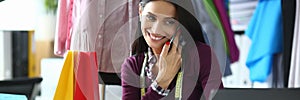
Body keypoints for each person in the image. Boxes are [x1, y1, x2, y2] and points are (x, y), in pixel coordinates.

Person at [121, 0, 224, 100]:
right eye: (151, 17)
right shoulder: (132, 66)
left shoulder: (201, 56)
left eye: (169, 22)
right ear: (140, 12)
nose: (156, 30)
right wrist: (161, 83)